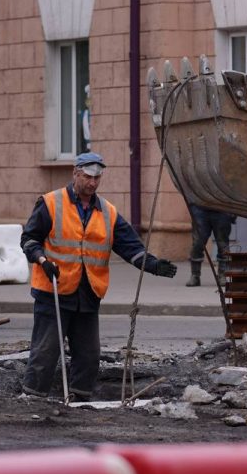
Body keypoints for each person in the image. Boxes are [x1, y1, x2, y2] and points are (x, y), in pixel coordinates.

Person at [20, 152, 177, 401]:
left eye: (97, 178)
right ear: (76, 174)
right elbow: (29, 239)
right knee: (46, 349)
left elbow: (130, 246)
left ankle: (80, 398)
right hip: (54, 289)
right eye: (88, 177)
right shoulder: (51, 203)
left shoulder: (107, 212)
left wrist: (153, 265)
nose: (92, 183)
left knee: (89, 353)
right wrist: (42, 260)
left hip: (88, 291)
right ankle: (33, 396)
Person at [185, 205, 236, 287]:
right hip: (200, 208)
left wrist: (232, 211)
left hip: (223, 208)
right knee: (197, 243)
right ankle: (195, 275)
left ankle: (222, 274)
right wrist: (193, 207)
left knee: (223, 245)